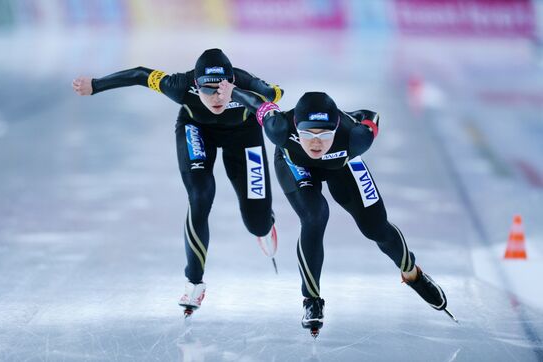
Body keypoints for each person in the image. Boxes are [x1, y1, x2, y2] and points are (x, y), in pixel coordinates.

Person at [217, 80, 452, 336]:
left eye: (324, 134)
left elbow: (371, 116)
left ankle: (412, 274)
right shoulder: (280, 127)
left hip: (342, 163)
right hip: (296, 166)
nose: (316, 143)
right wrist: (232, 91)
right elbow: (258, 104)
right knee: (315, 216)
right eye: (308, 134)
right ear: (297, 127)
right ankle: (311, 300)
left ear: (336, 128)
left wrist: (351, 118)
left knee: (375, 227)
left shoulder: (356, 137)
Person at [72, 49, 283, 316]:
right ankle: (194, 282)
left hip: (244, 136)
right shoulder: (179, 85)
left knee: (257, 222)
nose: (216, 98)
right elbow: (140, 74)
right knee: (200, 195)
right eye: (207, 90)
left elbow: (276, 94)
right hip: (197, 129)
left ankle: (265, 223)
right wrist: (96, 86)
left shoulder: (246, 82)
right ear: (196, 84)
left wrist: (245, 95)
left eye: (222, 90)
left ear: (231, 82)